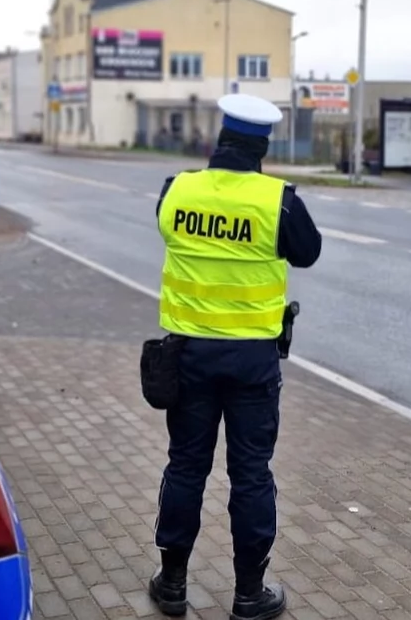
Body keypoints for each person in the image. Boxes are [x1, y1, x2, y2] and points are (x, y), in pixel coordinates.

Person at [148, 93, 322, 619]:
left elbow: (166, 227)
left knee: (185, 467)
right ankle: (249, 595)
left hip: (189, 358)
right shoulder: (278, 201)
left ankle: (173, 584)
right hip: (252, 364)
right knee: (251, 474)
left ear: (216, 140)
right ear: (262, 146)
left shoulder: (176, 190)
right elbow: (308, 252)